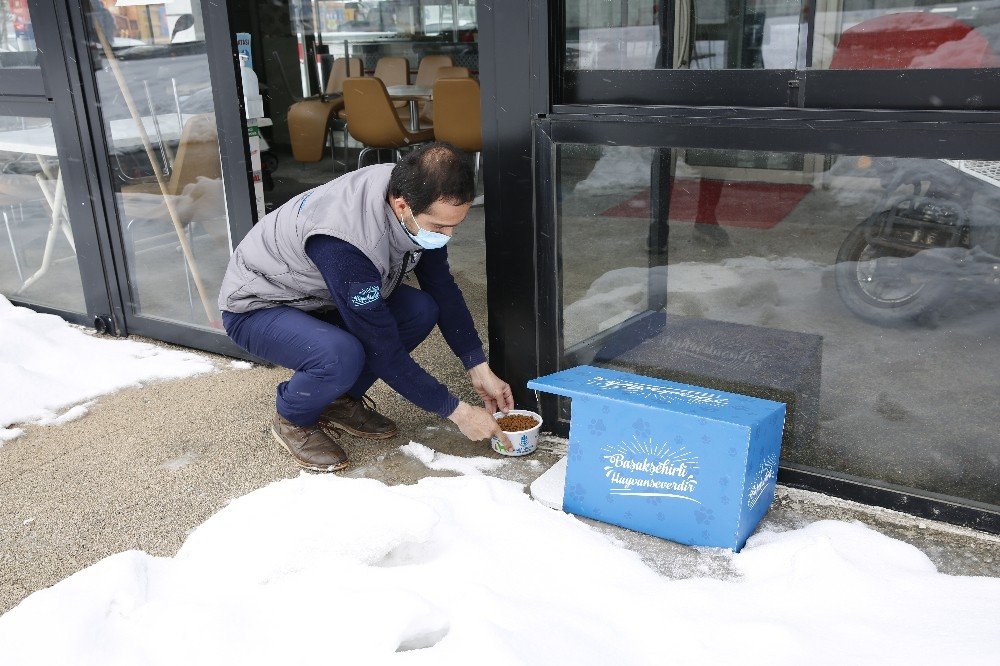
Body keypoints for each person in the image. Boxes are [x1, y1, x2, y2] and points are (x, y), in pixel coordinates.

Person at [218, 143, 514, 471]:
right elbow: (382, 348)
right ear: (402, 205)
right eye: (440, 228)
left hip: (320, 296)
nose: (447, 236)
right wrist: (458, 412)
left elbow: (441, 288)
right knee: (340, 354)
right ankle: (293, 418)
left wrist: (478, 367)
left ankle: (337, 400)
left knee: (421, 309)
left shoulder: (416, 195)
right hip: (259, 307)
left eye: (455, 225)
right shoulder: (345, 243)